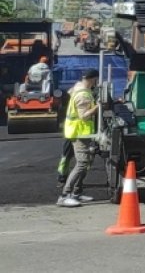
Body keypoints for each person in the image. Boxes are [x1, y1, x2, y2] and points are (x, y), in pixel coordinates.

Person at [58, 69, 99, 208]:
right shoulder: (83, 95)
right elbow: (84, 116)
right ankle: (64, 195)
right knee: (82, 163)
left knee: (86, 162)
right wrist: (98, 106)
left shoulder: (77, 88)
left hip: (78, 131)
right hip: (79, 132)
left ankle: (76, 193)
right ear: (93, 79)